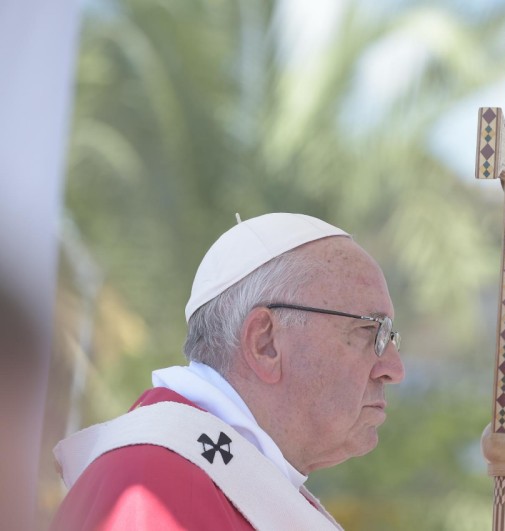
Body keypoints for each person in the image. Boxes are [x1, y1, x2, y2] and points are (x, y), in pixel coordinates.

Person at [51, 213, 405, 530]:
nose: (394, 369)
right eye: (369, 330)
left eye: (390, 337)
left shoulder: (224, 480)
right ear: (265, 343)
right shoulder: (151, 486)